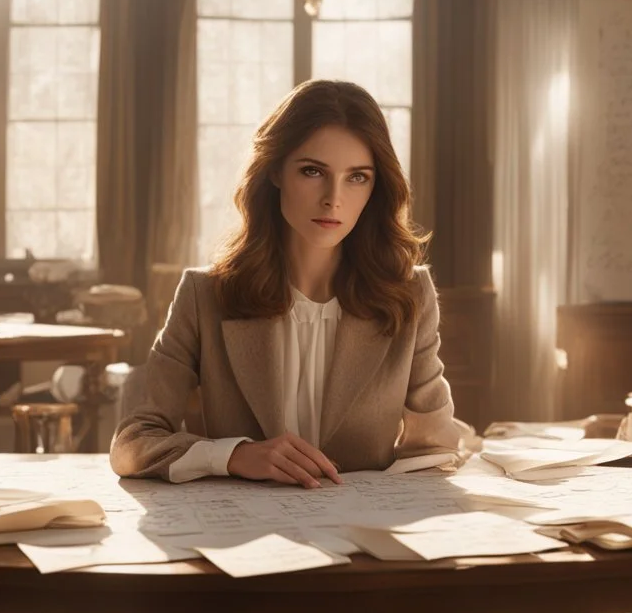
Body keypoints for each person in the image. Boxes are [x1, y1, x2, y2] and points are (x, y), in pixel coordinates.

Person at [111, 78, 475, 486]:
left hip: (368, 539)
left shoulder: (409, 295)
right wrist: (234, 455)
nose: (332, 198)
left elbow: (435, 449)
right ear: (275, 172)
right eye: (312, 171)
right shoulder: (204, 295)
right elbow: (132, 443)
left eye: (357, 177)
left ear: (376, 186)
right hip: (243, 537)